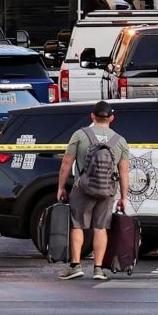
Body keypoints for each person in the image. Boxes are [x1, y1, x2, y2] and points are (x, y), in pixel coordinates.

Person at [53, 100, 131, 280]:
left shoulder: (80, 135)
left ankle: (75, 265)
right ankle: (98, 269)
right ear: (111, 118)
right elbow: (124, 171)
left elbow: (66, 163)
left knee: (77, 225)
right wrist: (124, 196)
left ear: (92, 116)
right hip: (107, 190)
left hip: (82, 188)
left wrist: (61, 187)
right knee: (100, 227)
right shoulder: (120, 141)